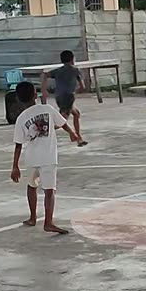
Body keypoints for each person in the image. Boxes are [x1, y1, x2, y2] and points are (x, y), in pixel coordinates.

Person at [11, 81, 80, 234]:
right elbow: (62, 123)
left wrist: (15, 166)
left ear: (18, 99)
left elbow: (18, 144)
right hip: (48, 158)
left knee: (32, 186)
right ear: (36, 95)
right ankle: (48, 222)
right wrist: (72, 133)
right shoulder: (47, 109)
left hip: (31, 158)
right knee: (49, 190)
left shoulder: (21, 118)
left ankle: (32, 217)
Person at [40, 50, 88, 147]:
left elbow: (44, 75)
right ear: (72, 59)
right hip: (68, 97)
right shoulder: (75, 70)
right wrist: (75, 91)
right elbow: (83, 86)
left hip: (58, 96)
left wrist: (44, 90)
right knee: (61, 121)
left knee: (76, 114)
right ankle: (42, 131)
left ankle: (78, 138)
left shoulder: (58, 70)